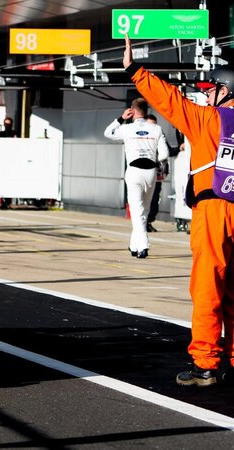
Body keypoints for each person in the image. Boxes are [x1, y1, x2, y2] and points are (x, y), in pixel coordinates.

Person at [123, 35, 234, 386]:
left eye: (211, 88)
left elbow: (169, 101)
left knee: (208, 286)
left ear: (226, 91)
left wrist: (136, 70)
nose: (205, 94)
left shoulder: (208, 119)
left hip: (215, 209)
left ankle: (205, 363)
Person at [103, 97, 168, 259]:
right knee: (143, 211)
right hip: (151, 172)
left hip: (134, 171)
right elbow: (165, 154)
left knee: (138, 212)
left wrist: (120, 119)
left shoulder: (127, 128)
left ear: (132, 111)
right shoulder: (157, 129)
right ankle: (134, 245)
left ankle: (143, 246)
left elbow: (107, 133)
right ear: (147, 112)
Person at [144, 114, 176, 231]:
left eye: (154, 125)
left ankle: (148, 222)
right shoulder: (141, 138)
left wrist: (179, 148)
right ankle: (143, 223)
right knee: (145, 200)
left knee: (154, 201)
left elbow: (167, 151)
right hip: (144, 173)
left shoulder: (159, 136)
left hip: (157, 175)